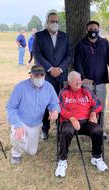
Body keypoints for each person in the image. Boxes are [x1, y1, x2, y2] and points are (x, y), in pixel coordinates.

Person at [55, 71, 108, 177]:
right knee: (66, 131)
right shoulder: (63, 92)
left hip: (86, 121)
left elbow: (97, 104)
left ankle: (96, 157)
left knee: (98, 130)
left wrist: (93, 113)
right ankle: (62, 160)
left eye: (79, 79)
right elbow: (59, 108)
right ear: (69, 82)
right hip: (69, 121)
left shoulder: (86, 90)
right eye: (75, 80)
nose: (78, 82)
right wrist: (71, 118)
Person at [6, 65, 60, 165]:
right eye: (36, 75)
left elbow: (54, 103)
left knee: (32, 152)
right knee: (18, 135)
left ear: (45, 75)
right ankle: (16, 154)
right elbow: (11, 108)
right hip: (21, 121)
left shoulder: (49, 87)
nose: (39, 77)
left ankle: (22, 141)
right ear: (31, 75)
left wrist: (55, 111)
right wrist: (17, 125)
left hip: (36, 123)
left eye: (41, 75)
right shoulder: (20, 87)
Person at [33, 11, 73, 139]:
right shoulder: (39, 36)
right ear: (47, 22)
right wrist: (50, 68)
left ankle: (60, 126)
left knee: (61, 101)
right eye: (52, 21)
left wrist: (60, 68)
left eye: (56, 21)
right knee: (45, 102)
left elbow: (69, 55)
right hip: (46, 75)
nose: (54, 23)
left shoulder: (65, 36)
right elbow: (37, 54)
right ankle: (45, 128)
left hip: (62, 76)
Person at [73, 20, 109, 137]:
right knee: (87, 107)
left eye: (95, 30)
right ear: (87, 30)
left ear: (99, 30)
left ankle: (100, 129)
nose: (93, 31)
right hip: (86, 83)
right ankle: (89, 129)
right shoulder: (81, 45)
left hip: (101, 81)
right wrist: (83, 78)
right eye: (91, 30)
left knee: (100, 107)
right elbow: (77, 63)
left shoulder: (105, 43)